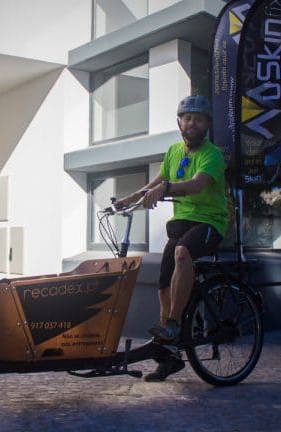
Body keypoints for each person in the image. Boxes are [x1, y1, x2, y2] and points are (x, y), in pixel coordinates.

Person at [114, 95, 228, 382]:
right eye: (187, 118)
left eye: (198, 119)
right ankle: (170, 357)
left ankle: (174, 323)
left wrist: (165, 189)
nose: (192, 123)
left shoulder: (213, 155)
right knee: (163, 287)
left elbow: (196, 184)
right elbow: (156, 183)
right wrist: (127, 199)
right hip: (181, 224)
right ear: (179, 122)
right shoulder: (174, 151)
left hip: (210, 222)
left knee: (182, 253)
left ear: (207, 124)